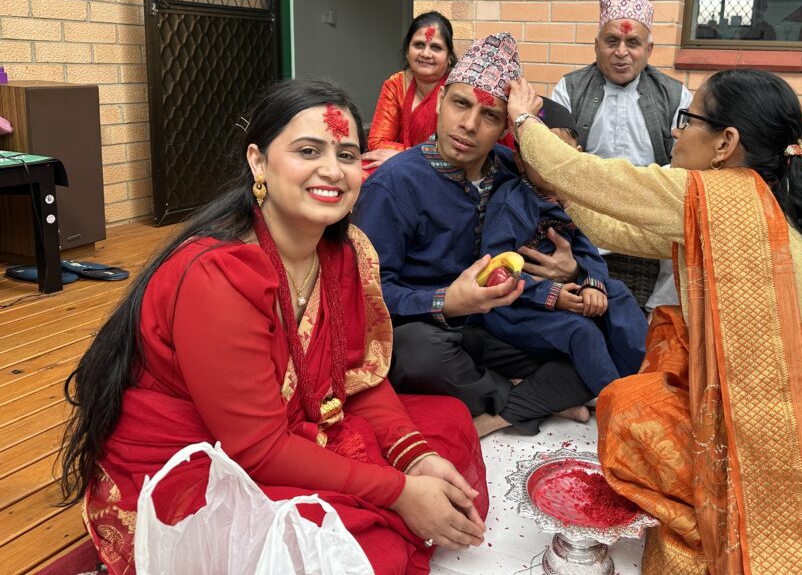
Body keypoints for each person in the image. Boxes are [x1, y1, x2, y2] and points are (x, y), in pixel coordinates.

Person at [506, 69, 802, 574]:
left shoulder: (724, 198)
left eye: (688, 120)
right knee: (673, 345)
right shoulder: (755, 204)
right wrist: (556, 187)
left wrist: (524, 121)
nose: (676, 131)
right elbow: (612, 227)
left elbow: (592, 176)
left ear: (725, 143)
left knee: (629, 412)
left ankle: (742, 538)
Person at [59, 79, 487, 575]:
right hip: (207, 459)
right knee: (351, 551)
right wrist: (401, 492)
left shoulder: (342, 254)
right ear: (258, 162)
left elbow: (357, 379)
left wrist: (415, 459)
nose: (333, 170)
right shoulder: (217, 275)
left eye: (347, 155)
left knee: (446, 428)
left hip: (295, 428)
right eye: (308, 151)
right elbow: (257, 449)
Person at [353, 33, 593, 439]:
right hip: (431, 329)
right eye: (461, 104)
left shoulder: (512, 168)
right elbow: (367, 294)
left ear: (504, 129)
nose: (468, 125)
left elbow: (567, 223)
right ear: (440, 101)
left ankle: (507, 400)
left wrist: (570, 270)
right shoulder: (393, 185)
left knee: (591, 342)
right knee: (415, 354)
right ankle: (525, 397)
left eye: (489, 115)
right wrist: (447, 301)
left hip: (505, 323)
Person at [480, 97, 647, 397]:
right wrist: (551, 295)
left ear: (576, 156)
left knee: (618, 293)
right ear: (521, 161)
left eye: (559, 154)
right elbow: (495, 268)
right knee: (581, 331)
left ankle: (643, 378)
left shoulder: (573, 201)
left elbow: (586, 248)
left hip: (567, 288)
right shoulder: (510, 205)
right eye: (539, 156)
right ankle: (616, 400)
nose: (551, 167)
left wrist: (592, 283)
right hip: (517, 307)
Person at [550, 0, 692, 167]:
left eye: (633, 43)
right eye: (612, 41)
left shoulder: (675, 95)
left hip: (651, 184)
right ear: (596, 46)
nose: (621, 52)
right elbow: (554, 155)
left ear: (648, 49)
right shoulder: (569, 89)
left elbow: (683, 163)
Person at [364, 11, 457, 171]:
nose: (426, 54)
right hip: (400, 165)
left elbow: (457, 149)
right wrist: (409, 157)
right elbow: (377, 141)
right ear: (407, 51)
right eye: (419, 45)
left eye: (436, 47)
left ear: (449, 56)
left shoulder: (457, 90)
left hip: (445, 169)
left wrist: (406, 156)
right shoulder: (396, 84)